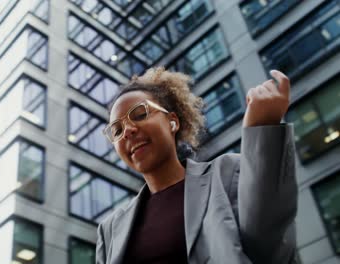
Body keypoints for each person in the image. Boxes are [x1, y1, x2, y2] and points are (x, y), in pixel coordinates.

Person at [95, 67, 297, 264]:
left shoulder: (227, 174)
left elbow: (270, 246)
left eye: (140, 114)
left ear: (172, 121)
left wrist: (262, 129)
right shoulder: (109, 230)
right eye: (117, 130)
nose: (128, 130)